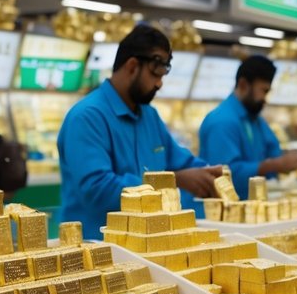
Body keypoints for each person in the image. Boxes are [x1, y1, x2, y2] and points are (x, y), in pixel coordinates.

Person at [57, 25, 221, 239]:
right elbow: (98, 190)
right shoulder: (87, 117)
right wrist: (174, 180)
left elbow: (179, 161)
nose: (160, 84)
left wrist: (209, 173)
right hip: (95, 250)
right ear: (133, 66)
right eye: (155, 74)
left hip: (148, 244)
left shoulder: (148, 115)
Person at [197, 56, 297, 200]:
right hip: (218, 214)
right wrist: (273, 165)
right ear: (243, 85)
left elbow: (273, 151)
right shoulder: (222, 121)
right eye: (263, 91)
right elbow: (225, 177)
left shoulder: (255, 119)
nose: (265, 99)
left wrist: (287, 159)